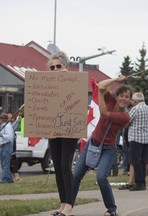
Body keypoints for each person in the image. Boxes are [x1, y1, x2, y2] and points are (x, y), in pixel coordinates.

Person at [72, 76, 132, 216]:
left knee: (101, 178)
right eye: (121, 95)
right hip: (92, 144)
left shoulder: (125, 116)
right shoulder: (110, 100)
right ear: (116, 96)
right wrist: (116, 79)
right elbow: (101, 86)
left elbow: (104, 113)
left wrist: (101, 93)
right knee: (75, 176)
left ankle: (112, 209)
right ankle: (68, 207)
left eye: (127, 97)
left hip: (108, 149)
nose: (124, 98)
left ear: (130, 100)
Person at [47, 51, 79, 216]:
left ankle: (70, 206)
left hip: (70, 128)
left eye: (58, 66)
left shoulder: (73, 80)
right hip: (54, 129)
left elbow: (77, 99)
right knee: (58, 167)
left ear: (65, 66)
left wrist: (68, 78)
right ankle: (63, 203)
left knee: (66, 166)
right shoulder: (47, 85)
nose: (55, 69)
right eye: (52, 67)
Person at [128, 92, 148, 191]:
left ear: (135, 101)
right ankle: (142, 182)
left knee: (135, 161)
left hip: (136, 138)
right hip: (147, 138)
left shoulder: (135, 109)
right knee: (143, 161)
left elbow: (127, 120)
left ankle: (138, 183)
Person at [0, 112, 15, 183]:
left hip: (7, 146)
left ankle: (4, 179)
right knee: (3, 164)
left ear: (2, 119)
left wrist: (2, 135)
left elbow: (10, 137)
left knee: (5, 164)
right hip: (3, 146)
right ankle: (9, 179)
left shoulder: (7, 126)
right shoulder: (2, 126)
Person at [9, 113, 22, 181]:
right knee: (12, 160)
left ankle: (15, 174)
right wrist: (17, 121)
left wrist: (17, 122)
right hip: (9, 144)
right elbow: (12, 128)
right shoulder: (6, 126)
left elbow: (13, 128)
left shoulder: (9, 125)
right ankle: (15, 175)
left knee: (13, 160)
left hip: (12, 144)